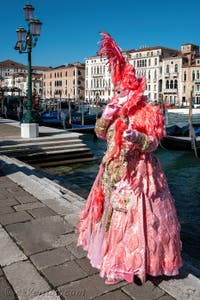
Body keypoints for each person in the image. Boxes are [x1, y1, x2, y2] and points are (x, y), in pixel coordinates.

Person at [76, 32, 182, 285]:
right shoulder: (113, 108)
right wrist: (105, 116)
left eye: (122, 89)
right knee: (109, 216)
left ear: (133, 87)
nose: (118, 93)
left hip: (138, 175)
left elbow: (154, 143)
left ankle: (130, 264)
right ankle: (109, 257)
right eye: (117, 89)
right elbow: (101, 134)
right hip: (111, 170)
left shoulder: (149, 111)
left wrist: (136, 138)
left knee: (132, 221)